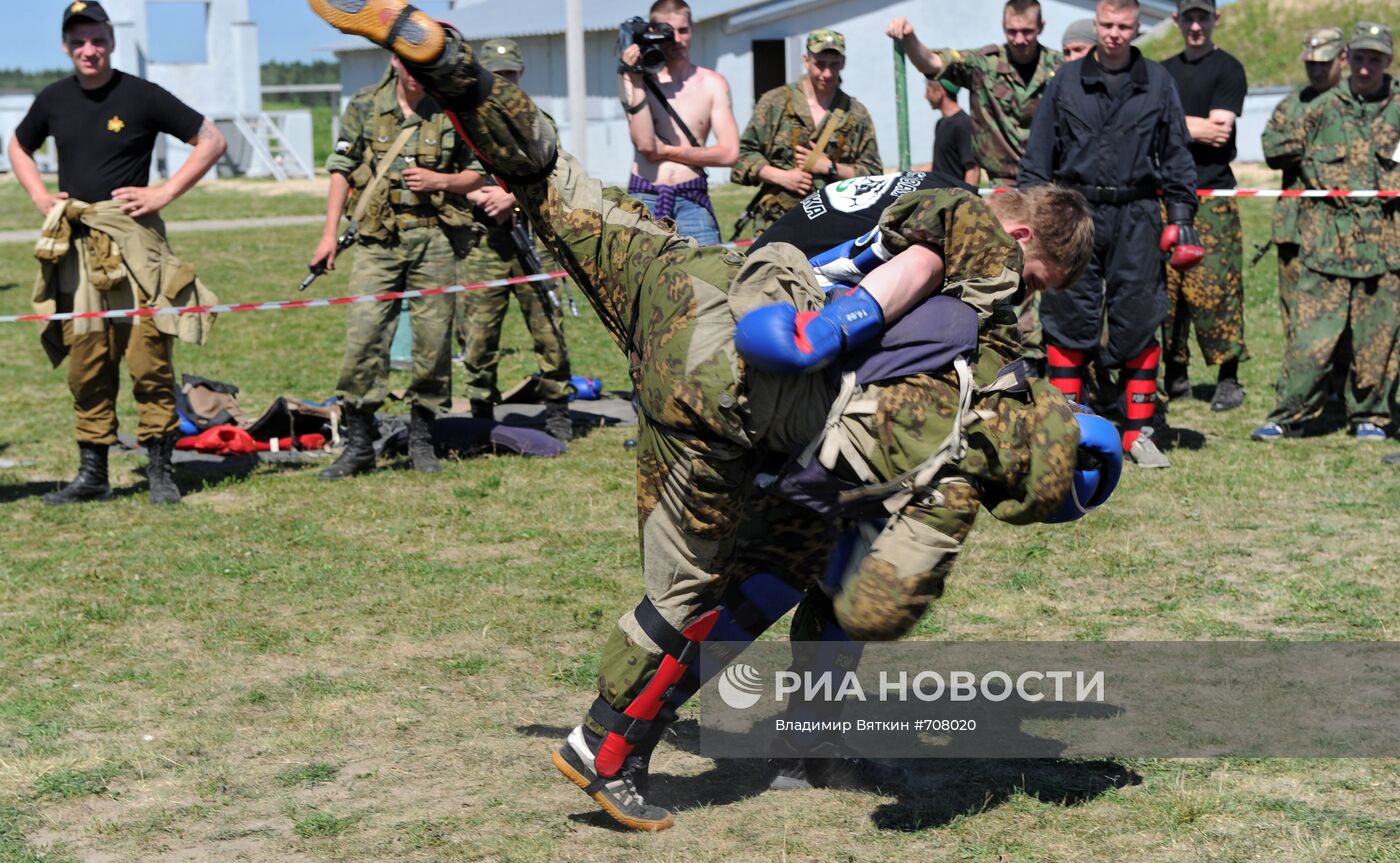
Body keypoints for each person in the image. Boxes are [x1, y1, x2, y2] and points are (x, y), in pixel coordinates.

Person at [304, 0, 1102, 832]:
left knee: (549, 178)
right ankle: (609, 745)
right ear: (1020, 228)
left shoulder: (914, 183)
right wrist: (849, 332)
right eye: (1036, 276)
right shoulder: (976, 231)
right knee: (722, 580)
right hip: (736, 382)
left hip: (690, 278)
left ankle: (449, 64)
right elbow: (920, 280)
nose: (1024, 297)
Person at [9, 0, 227, 506]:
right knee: (86, 360)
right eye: (79, 41)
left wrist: (163, 193)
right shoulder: (54, 99)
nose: (90, 50)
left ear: (111, 39)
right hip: (78, 251)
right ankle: (94, 473)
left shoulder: (141, 94)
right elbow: (19, 147)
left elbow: (210, 140)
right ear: (67, 46)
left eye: (98, 39)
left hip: (135, 246)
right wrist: (41, 197)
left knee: (148, 355)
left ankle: (159, 470)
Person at [1018, 0, 1204, 469]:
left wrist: (1181, 218)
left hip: (1137, 212)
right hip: (1074, 212)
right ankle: (1066, 429)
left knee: (1140, 315)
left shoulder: (1158, 82)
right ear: (1096, 24)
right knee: (1067, 316)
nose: (1114, 34)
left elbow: (1178, 155)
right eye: (1106, 25)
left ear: (1137, 27)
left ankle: (1138, 433)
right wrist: (1034, 221)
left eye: (1123, 26)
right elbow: (1038, 157)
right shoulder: (1067, 81)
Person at [310, 55, 483, 479]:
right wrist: (329, 233)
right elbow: (342, 169)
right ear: (395, 61)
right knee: (364, 336)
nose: (417, 78)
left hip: (436, 238)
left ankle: (422, 438)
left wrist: (441, 181)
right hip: (377, 240)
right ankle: (359, 444)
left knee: (433, 340)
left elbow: (479, 172)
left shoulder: (454, 107)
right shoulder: (366, 104)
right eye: (411, 68)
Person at [1250, 23, 1399, 443]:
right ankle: (1291, 414)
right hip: (1327, 243)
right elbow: (1275, 149)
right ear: (1347, 59)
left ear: (1387, 61)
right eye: (1359, 59)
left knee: (1378, 343)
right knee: (1310, 340)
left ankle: (1371, 416)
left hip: (1387, 246)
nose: (1366, 69)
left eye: (1375, 60)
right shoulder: (1317, 109)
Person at [455, 39, 573, 441]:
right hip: (484, 240)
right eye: (495, 75)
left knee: (547, 327)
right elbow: (452, 176)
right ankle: (480, 410)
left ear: (520, 76)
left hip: (532, 236)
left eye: (510, 75)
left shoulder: (538, 119)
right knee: (479, 333)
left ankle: (558, 409)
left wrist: (509, 197)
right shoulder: (461, 121)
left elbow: (554, 173)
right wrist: (478, 195)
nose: (503, 82)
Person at [1160, 0, 1249, 412]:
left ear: (1217, 19)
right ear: (1176, 21)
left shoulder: (1228, 68)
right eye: (1189, 17)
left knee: (1217, 288)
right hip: (1165, 195)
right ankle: (1174, 374)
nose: (1196, 25)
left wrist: (1166, 121)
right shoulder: (1160, 71)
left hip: (1212, 195)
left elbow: (1217, 132)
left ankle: (1228, 378)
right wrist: (1181, 124)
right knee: (1167, 291)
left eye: (1204, 17)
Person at [887, 0, 1063, 189]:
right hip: (1004, 186)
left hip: (1050, 182)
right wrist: (910, 38)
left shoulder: (1060, 68)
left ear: (1041, 27)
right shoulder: (983, 65)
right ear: (1003, 27)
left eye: (1027, 31)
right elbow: (932, 63)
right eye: (1012, 31)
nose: (1019, 40)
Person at [731, 30, 882, 236]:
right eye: (820, 64)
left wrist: (829, 167)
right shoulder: (775, 102)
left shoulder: (855, 114)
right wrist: (782, 177)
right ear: (806, 60)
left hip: (835, 223)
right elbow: (744, 155)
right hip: (778, 222)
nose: (827, 73)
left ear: (843, 63)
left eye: (834, 65)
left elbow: (873, 176)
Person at [618, 0, 738, 246]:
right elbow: (645, 145)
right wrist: (636, 78)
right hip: (645, 195)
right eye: (669, 32)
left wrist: (669, 151)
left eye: (684, 30)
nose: (677, 39)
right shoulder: (633, 77)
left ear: (692, 29)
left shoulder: (713, 83)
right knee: (640, 281)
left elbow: (730, 154)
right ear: (653, 32)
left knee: (709, 279)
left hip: (692, 197)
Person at [1261, 28, 1345, 348]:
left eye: (1324, 62)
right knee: (1294, 312)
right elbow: (1271, 149)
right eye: (1310, 63)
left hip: (1342, 229)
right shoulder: (1291, 104)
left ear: (1343, 58)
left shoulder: (1354, 101)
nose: (1317, 70)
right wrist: (1319, 139)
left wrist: (1302, 142)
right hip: (1295, 227)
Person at [922, 78, 978, 186]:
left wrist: (966, 199)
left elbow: (973, 169)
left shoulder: (963, 124)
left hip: (955, 198)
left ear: (940, 91)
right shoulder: (940, 123)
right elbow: (940, 165)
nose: (925, 96)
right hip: (941, 197)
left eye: (928, 91)